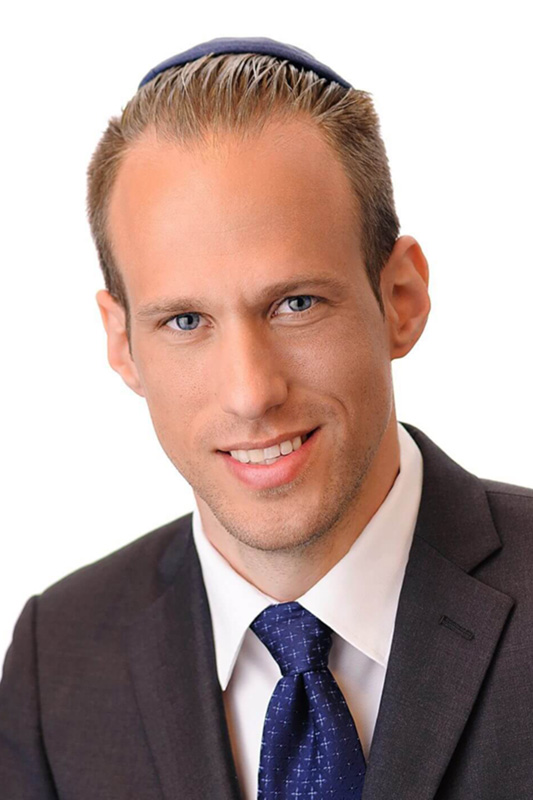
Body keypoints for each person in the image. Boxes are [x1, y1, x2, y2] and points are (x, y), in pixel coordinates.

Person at [1, 36, 532, 800]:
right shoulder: (57, 662)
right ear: (121, 344)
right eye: (185, 321)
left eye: (295, 304)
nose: (251, 393)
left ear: (401, 300)